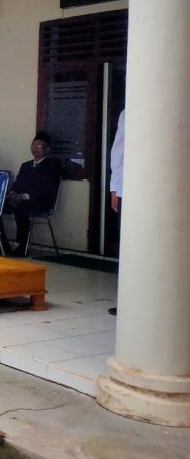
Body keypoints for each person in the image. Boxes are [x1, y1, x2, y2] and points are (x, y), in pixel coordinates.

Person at [3, 131, 62, 256]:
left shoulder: (52, 166)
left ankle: (21, 245)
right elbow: (18, 183)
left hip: (41, 201)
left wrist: (23, 197)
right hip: (21, 199)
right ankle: (1, 243)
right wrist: (12, 193)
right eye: (33, 144)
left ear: (47, 149)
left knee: (21, 207)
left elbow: (45, 189)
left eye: (39, 145)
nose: (35, 148)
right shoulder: (26, 165)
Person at [108, 110, 124, 316]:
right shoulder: (128, 112)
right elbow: (119, 151)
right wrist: (115, 187)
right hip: (131, 187)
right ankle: (130, 300)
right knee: (131, 249)